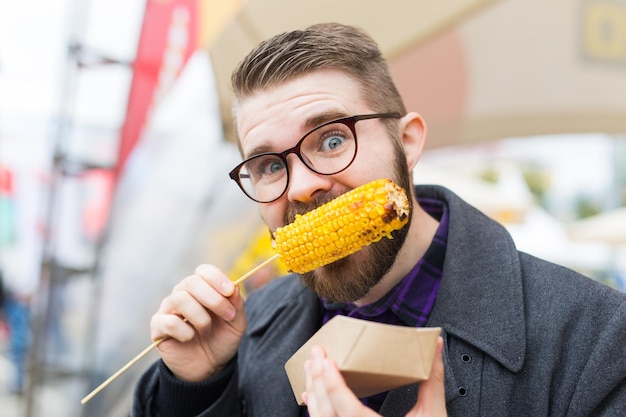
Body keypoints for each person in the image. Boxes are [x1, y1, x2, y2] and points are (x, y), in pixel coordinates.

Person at [132, 23, 626, 416]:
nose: (302, 186)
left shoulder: (598, 340)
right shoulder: (240, 336)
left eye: (331, 140)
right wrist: (195, 390)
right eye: (268, 165)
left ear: (407, 143)